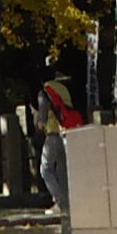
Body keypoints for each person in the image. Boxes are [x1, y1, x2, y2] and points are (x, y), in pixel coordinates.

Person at [37, 78, 82, 214]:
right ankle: (67, 204)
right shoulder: (64, 90)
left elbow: (43, 118)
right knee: (62, 170)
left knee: (45, 169)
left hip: (53, 133)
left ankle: (59, 201)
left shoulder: (45, 92)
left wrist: (39, 123)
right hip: (67, 131)